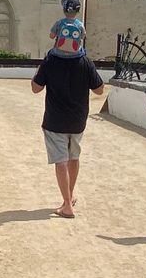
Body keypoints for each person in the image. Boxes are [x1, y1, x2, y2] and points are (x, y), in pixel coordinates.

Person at [30, 46, 106, 218]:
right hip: (78, 120)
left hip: (55, 120)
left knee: (60, 161)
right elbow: (99, 90)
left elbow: (35, 88)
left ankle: (67, 206)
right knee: (74, 157)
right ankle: (69, 198)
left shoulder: (50, 60)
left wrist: (42, 67)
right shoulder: (85, 62)